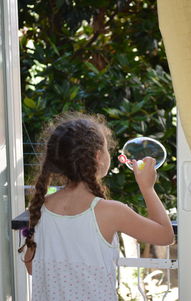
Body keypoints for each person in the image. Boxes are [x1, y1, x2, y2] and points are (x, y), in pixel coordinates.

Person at [18, 112, 174, 301]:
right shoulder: (112, 211)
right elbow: (165, 236)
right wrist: (147, 188)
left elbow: (32, 267)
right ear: (98, 156)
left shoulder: (42, 206)